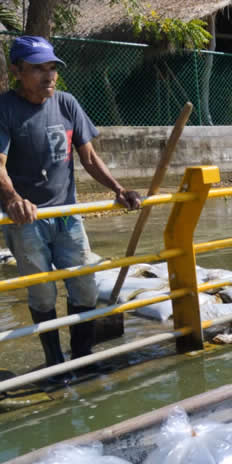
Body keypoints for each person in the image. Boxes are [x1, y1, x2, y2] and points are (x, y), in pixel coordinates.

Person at [0, 35, 140, 377]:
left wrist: (119, 189)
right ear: (17, 71)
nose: (49, 76)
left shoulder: (66, 103)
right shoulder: (5, 108)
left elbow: (89, 158)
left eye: (52, 68)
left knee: (84, 285)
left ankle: (82, 356)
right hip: (26, 219)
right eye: (38, 69)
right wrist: (13, 200)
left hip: (66, 214)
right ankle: (55, 364)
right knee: (43, 293)